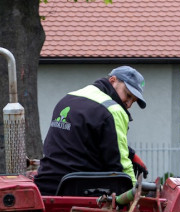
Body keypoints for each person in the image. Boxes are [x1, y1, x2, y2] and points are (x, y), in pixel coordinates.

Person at [34, 66, 148, 196]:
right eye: (128, 95)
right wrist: (135, 194)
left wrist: (131, 154)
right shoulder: (113, 109)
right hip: (80, 190)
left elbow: (84, 139)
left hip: (46, 184)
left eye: (133, 101)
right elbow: (120, 166)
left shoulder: (69, 98)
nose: (128, 104)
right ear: (112, 80)